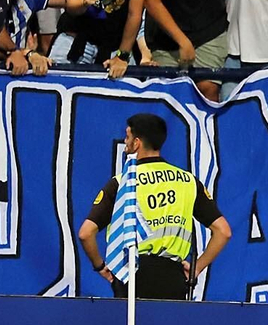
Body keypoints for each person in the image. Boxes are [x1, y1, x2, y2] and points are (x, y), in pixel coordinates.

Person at [78, 112, 232, 300]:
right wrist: (197, 267)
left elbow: (86, 233)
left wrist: (100, 266)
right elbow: (223, 231)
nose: (125, 144)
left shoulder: (122, 183)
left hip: (130, 274)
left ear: (137, 143)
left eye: (127, 137)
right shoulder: (188, 181)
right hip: (172, 276)